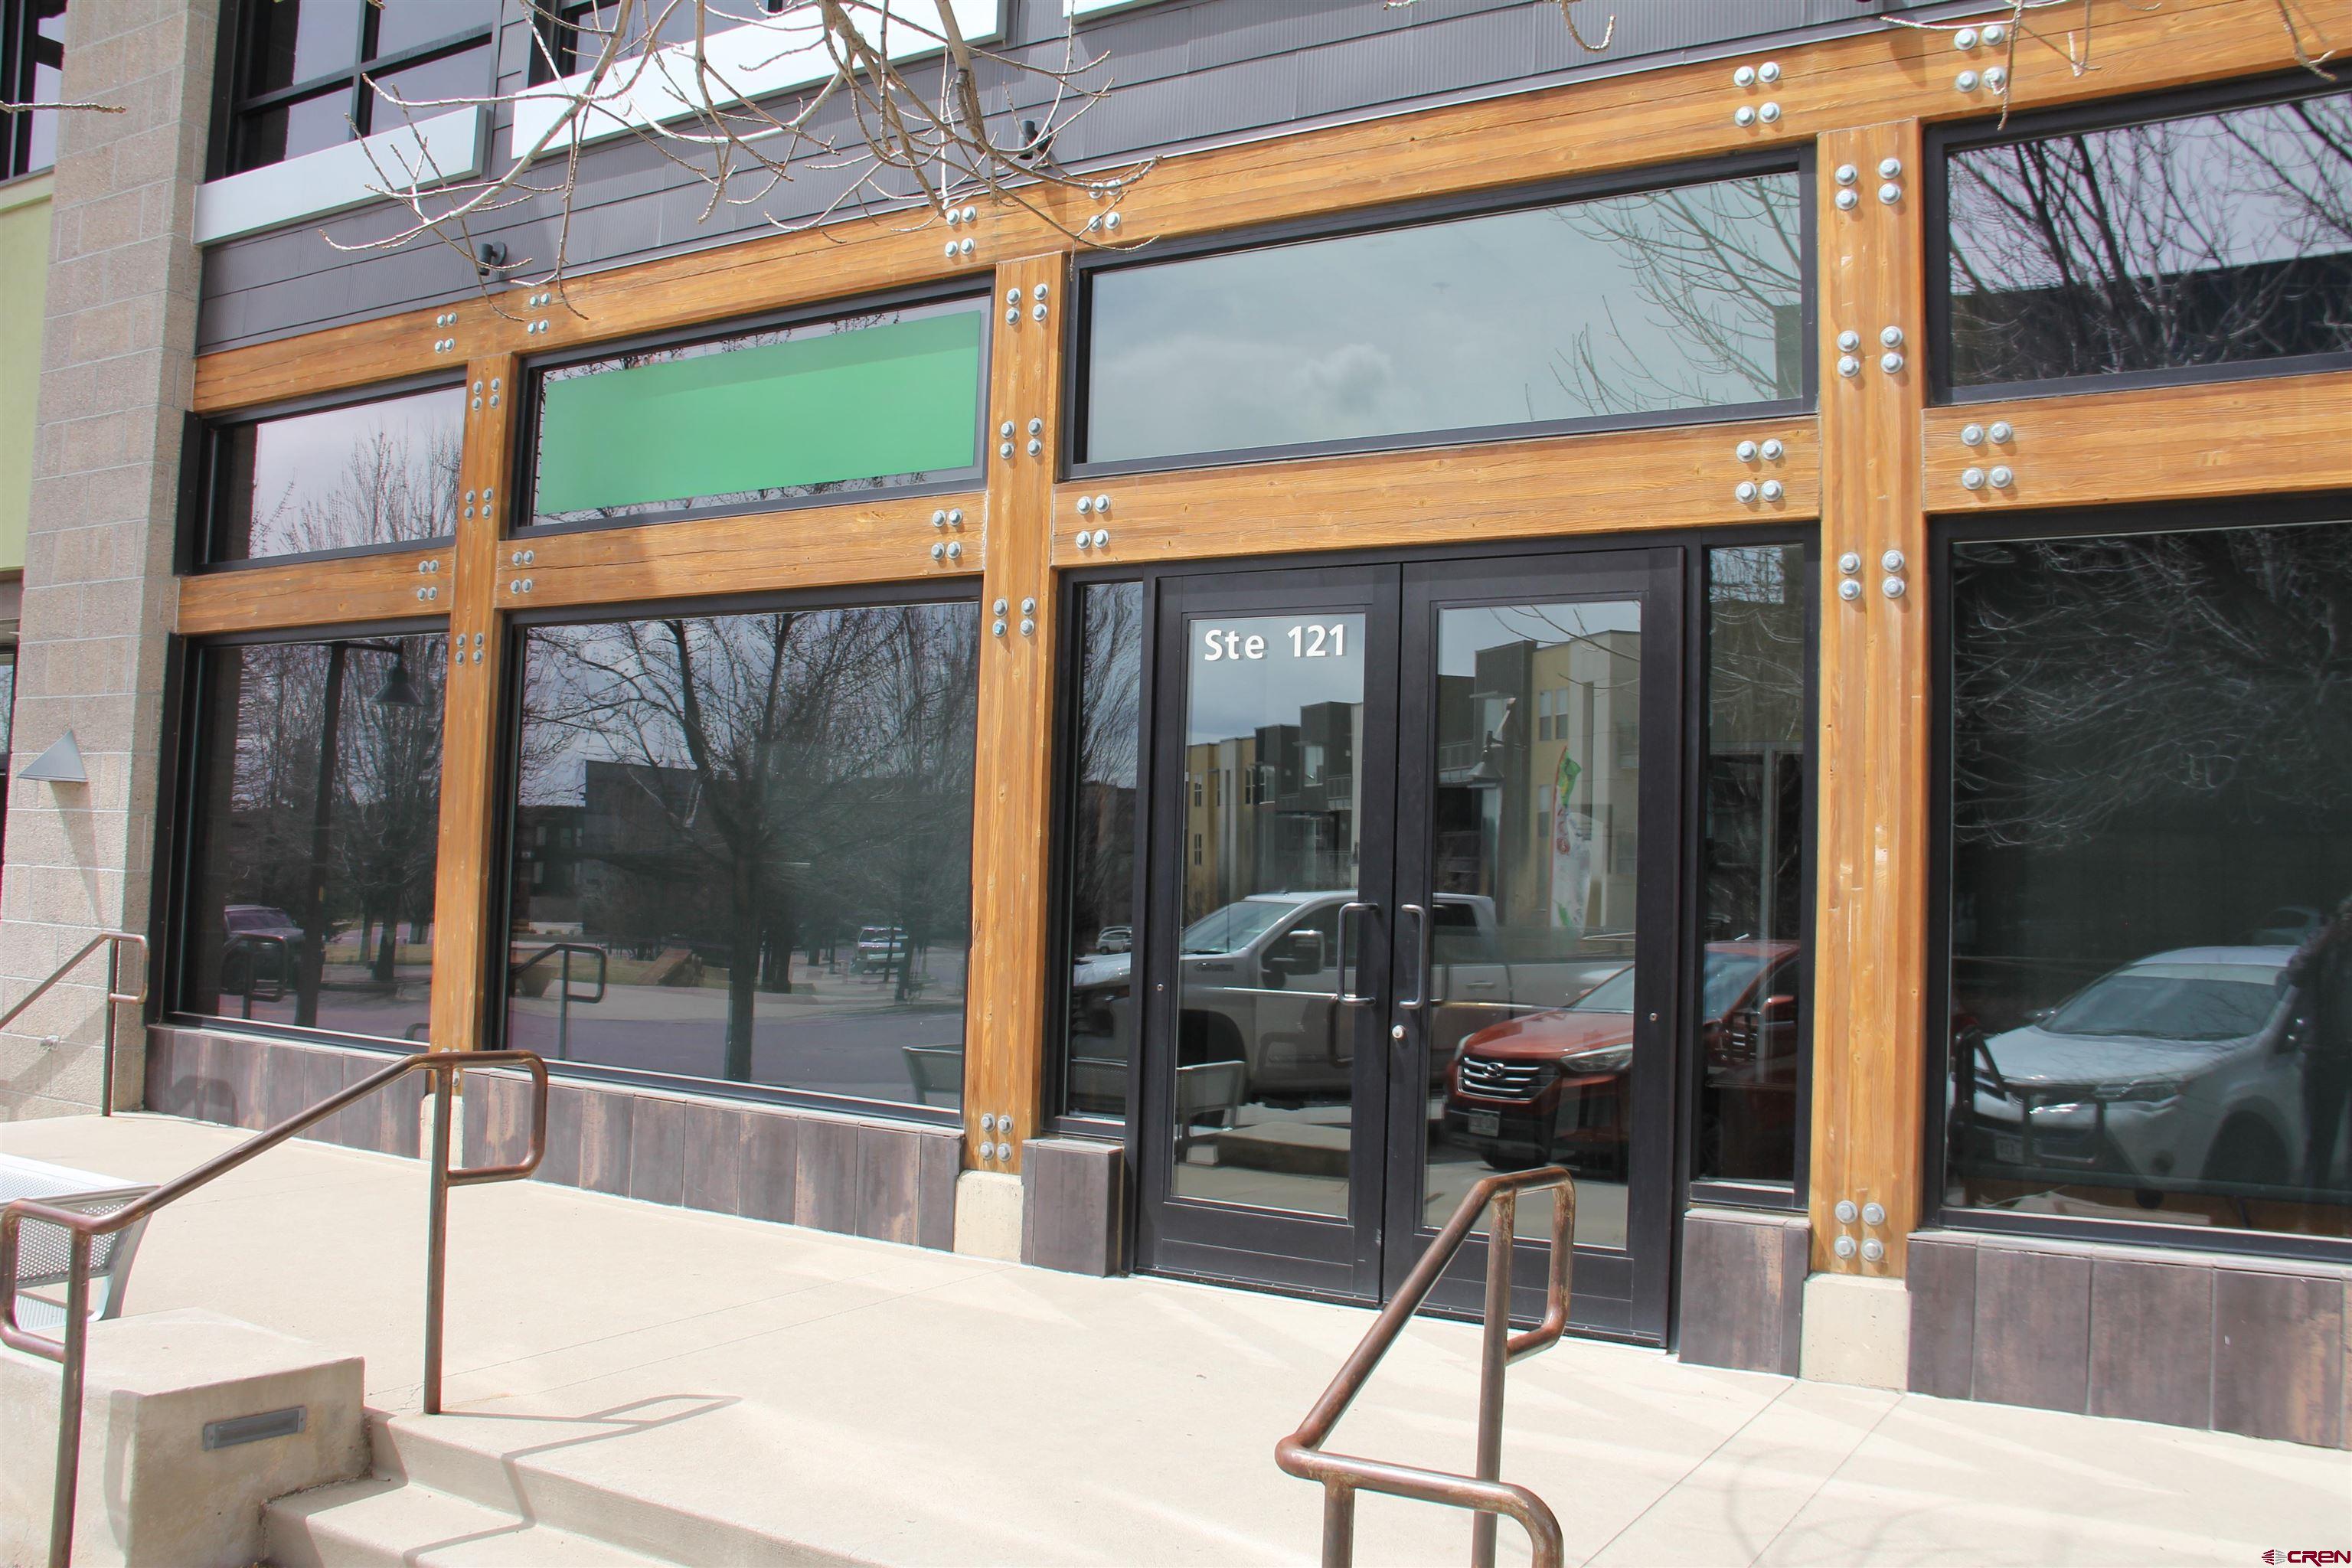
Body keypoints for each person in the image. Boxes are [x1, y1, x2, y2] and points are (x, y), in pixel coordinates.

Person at [2286, 894, 2352, 1197]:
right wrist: (2327, 938)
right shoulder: (2324, 948)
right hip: (2324, 1054)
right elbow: (2296, 973)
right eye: (2347, 915)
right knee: (2319, 1140)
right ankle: (2316, 1206)